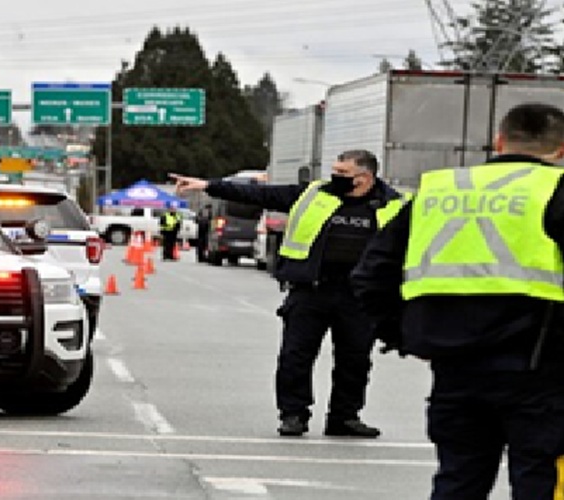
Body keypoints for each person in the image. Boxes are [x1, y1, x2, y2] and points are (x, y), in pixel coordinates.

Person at [350, 103, 564, 499]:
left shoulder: (439, 189)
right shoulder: (555, 189)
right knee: (538, 480)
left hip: (454, 366)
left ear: (498, 141)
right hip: (538, 369)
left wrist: (404, 335)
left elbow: (370, 275)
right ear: (561, 149)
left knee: (458, 479)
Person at [172, 150, 409, 438]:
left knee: (355, 361)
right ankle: (293, 414)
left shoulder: (394, 206)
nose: (334, 177)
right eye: (334, 171)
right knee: (295, 357)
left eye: (342, 173)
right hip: (311, 291)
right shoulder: (314, 194)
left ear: (365, 178)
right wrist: (207, 185)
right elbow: (259, 195)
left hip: (359, 297)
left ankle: (344, 417)